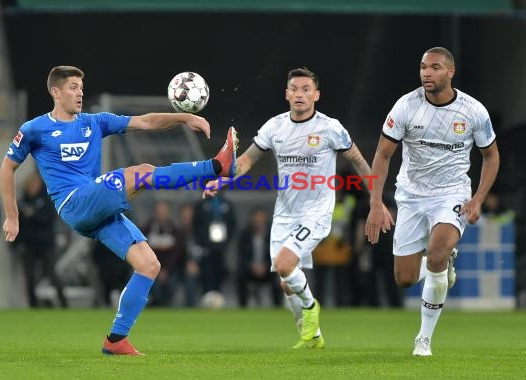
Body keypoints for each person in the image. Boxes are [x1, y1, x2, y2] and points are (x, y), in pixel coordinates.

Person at [0, 66, 237, 355]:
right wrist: (13, 216)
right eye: (73, 87)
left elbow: (147, 122)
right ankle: (214, 166)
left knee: (149, 265)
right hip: (73, 201)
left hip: (95, 207)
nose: (80, 93)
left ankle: (116, 340)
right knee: (142, 172)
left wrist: (185, 117)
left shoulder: (95, 122)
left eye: (81, 88)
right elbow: (7, 167)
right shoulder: (34, 129)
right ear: (56, 92)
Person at [203, 67, 393, 349]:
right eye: (295, 89)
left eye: (306, 89)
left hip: (316, 212)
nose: (300, 94)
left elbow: (358, 161)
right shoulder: (274, 127)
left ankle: (311, 306)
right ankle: (313, 336)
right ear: (287, 94)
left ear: (316, 95)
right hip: (284, 214)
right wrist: (221, 181)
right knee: (285, 281)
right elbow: (245, 161)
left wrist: (377, 201)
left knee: (284, 264)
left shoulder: (330, 127)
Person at [365, 47, 500, 356]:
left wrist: (478, 198)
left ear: (450, 72)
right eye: (424, 67)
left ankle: (423, 339)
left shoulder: (473, 111)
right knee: (404, 279)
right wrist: (376, 202)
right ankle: (438, 265)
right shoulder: (405, 107)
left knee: (437, 254)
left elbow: (491, 156)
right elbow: (382, 156)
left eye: (435, 67)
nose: (427, 73)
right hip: (411, 196)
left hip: (451, 193)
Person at [15, 171, 68, 308]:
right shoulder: (22, 202)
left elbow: (49, 218)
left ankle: (64, 303)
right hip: (29, 245)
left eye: (35, 185)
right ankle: (33, 305)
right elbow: (18, 223)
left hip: (46, 243)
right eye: (30, 185)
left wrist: (33, 215)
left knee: (51, 273)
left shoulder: (47, 200)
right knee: (30, 276)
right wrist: (16, 243)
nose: (32, 188)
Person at [236, 206, 282, 307]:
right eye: (256, 217)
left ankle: (278, 307)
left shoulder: (273, 234)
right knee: (241, 276)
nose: (258, 221)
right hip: (250, 269)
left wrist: (266, 265)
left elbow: (277, 254)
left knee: (278, 277)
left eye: (261, 218)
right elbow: (242, 255)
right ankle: (242, 307)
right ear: (252, 219)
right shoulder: (245, 234)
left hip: (268, 268)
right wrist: (252, 266)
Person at [192, 193, 236, 296]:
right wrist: (202, 241)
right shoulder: (201, 204)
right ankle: (207, 298)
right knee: (207, 275)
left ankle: (218, 298)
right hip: (205, 249)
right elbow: (196, 226)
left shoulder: (227, 204)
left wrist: (226, 241)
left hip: (222, 248)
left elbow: (232, 224)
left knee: (221, 273)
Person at [140, 200, 182, 307]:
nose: (161, 213)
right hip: (151, 268)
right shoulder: (147, 229)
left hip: (170, 269)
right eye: (159, 210)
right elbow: (142, 250)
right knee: (154, 285)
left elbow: (176, 253)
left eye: (164, 211)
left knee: (171, 285)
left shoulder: (175, 230)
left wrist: (166, 269)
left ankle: (164, 306)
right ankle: (158, 305)